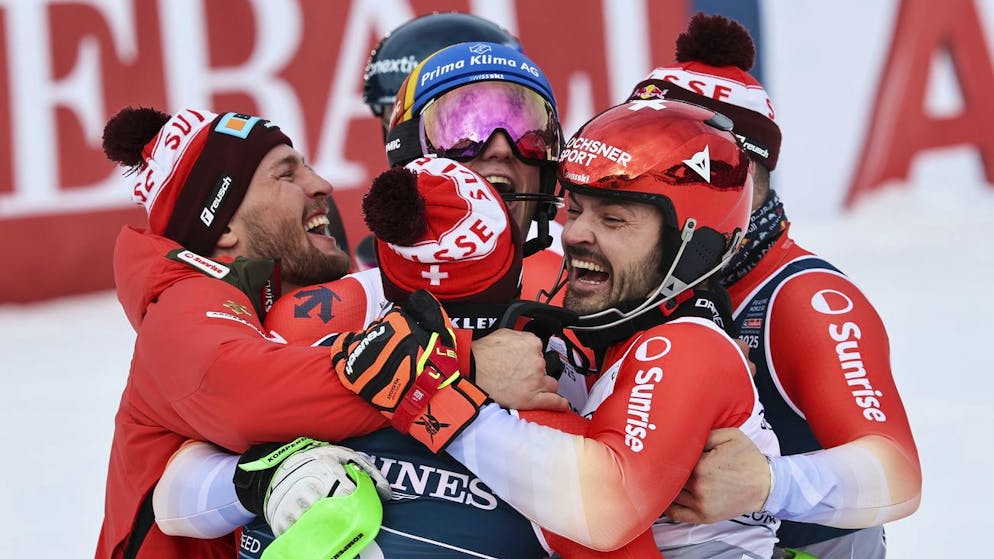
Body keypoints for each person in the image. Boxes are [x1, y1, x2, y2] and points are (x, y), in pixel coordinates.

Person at [95, 106, 554, 559]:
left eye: (308, 166)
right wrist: (461, 363)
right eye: (286, 175)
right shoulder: (183, 306)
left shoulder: (310, 298)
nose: (322, 185)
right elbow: (250, 397)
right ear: (225, 227)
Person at [341, 97, 786, 558]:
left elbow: (608, 511)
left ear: (691, 244)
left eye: (612, 219)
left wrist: (432, 397)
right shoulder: (611, 341)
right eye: (574, 211)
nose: (573, 235)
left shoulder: (687, 345)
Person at [634, 13, 922, 559]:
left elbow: (898, 472)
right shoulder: (649, 275)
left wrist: (767, 483)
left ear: (728, 172)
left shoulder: (803, 298)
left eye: (662, 164)